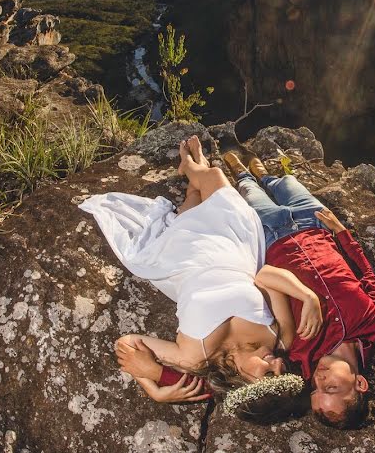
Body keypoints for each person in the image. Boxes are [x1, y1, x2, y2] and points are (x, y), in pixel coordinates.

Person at [119, 144, 375, 429]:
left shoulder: (299, 356)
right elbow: (368, 276)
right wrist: (342, 233)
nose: (319, 380)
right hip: (315, 226)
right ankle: (255, 174)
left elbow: (231, 391)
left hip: (267, 238)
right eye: (331, 388)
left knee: (228, 191)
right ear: (359, 382)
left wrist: (157, 382)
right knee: (283, 182)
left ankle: (216, 176)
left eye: (315, 389)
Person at [79, 136, 323, 401]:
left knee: (190, 207)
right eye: (283, 370)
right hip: (232, 248)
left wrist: (154, 387)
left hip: (185, 259)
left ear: (243, 383)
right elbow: (265, 277)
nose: (276, 362)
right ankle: (194, 167)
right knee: (215, 178)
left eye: (269, 374)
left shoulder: (194, 358)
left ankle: (192, 174)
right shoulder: (279, 337)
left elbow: (127, 343)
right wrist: (307, 296)